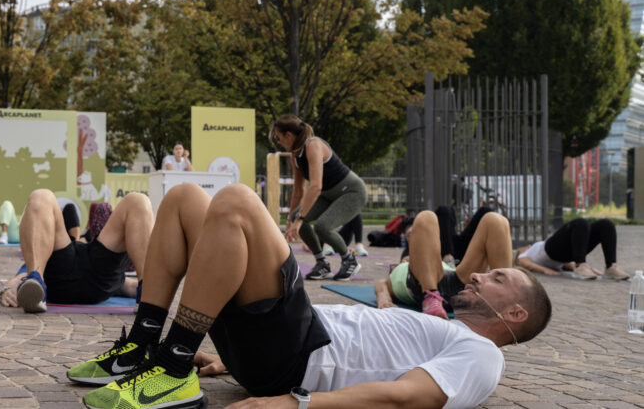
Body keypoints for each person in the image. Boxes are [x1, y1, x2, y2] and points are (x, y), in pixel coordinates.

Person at [68, 183, 552, 409]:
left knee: (238, 202)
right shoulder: (442, 327)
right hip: (278, 344)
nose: (479, 276)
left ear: (514, 313)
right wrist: (227, 361)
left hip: (296, 357)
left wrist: (296, 404)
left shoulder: (483, 355)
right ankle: (145, 346)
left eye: (497, 278)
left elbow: (407, 398)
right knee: (184, 199)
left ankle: (171, 370)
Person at [0, 189, 152, 313]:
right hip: (79, 276)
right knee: (40, 195)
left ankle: (147, 289)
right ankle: (35, 280)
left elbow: (128, 285)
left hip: (88, 275)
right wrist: (10, 288)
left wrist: (10, 286)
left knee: (138, 200)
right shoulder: (45, 249)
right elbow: (127, 285)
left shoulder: (46, 249)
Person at [270, 115, 367, 281]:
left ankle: (349, 260)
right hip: (328, 195)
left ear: (289, 135)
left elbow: (315, 186)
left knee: (322, 226)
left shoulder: (313, 145)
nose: (278, 142)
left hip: (352, 192)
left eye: (278, 138)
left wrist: (300, 219)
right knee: (297, 217)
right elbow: (298, 191)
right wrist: (291, 221)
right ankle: (322, 263)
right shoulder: (295, 155)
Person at [378, 208, 513, 319]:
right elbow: (381, 283)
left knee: (495, 220)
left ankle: (507, 296)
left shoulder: (436, 264)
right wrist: (383, 299)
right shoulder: (398, 273)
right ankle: (431, 298)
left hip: (456, 284)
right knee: (426, 216)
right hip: (424, 288)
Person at [516, 218, 629, 280]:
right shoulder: (524, 254)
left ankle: (611, 266)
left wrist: (590, 269)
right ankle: (581, 265)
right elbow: (525, 263)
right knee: (580, 223)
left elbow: (568, 265)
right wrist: (545, 270)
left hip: (564, 254)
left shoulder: (537, 250)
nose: (528, 245)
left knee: (606, 225)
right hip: (551, 250)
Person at [400, 205, 494, 265]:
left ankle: (448, 256)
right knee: (444, 210)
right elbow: (406, 260)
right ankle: (447, 257)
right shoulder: (411, 250)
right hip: (440, 256)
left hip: (452, 248)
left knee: (486, 212)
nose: (410, 232)